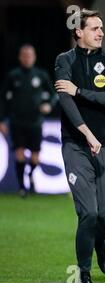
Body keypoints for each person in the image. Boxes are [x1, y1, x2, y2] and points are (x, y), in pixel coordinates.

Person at [54, 9, 105, 283]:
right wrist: (86, 134)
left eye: (101, 28)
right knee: (88, 213)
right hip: (76, 146)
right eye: (94, 28)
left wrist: (80, 91)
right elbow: (65, 101)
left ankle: (99, 242)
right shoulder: (64, 61)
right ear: (78, 32)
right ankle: (83, 274)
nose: (101, 33)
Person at [0, 44, 57, 197]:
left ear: (34, 57)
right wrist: (2, 120)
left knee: (35, 157)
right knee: (19, 153)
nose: (27, 58)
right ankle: (21, 187)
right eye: (24, 55)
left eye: (29, 55)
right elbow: (3, 100)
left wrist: (48, 105)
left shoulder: (41, 75)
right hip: (16, 121)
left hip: (35, 121)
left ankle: (30, 174)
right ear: (20, 57)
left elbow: (54, 95)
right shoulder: (13, 75)